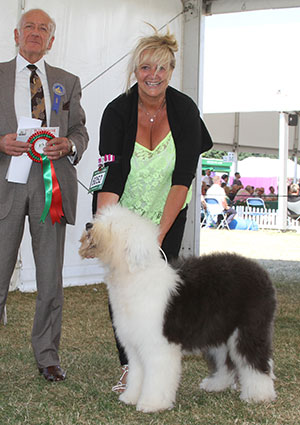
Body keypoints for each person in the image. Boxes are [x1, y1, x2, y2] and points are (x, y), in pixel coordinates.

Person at [92, 25, 213, 392]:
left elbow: (183, 176)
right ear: (135, 71)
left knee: (160, 288)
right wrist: (104, 228)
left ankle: (158, 361)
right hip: (125, 211)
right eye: (146, 68)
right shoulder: (117, 111)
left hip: (168, 210)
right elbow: (110, 174)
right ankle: (130, 365)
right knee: (122, 286)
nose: (153, 76)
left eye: (161, 69)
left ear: (171, 71)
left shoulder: (185, 110)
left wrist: (157, 236)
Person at [0, 9, 89, 381]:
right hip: (5, 186)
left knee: (50, 278)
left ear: (51, 40)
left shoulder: (67, 82)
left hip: (50, 188)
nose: (36, 34)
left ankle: (48, 356)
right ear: (16, 35)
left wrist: (68, 144)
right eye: (29, 28)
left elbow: (81, 130)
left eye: (44, 30)